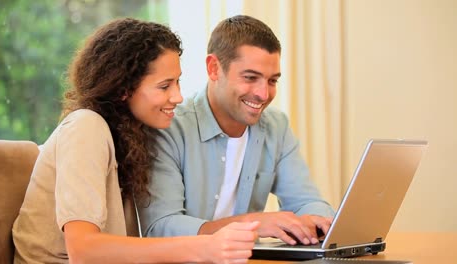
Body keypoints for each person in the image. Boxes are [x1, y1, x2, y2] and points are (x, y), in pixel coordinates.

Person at [12, 18, 260, 264]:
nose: (178, 96)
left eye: (177, 82)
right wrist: (203, 247)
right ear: (123, 88)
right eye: (164, 86)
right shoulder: (85, 127)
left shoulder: (128, 140)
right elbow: (84, 251)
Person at [140, 15, 335, 246]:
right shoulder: (168, 128)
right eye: (250, 78)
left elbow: (307, 201)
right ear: (213, 68)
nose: (263, 94)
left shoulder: (276, 127)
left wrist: (318, 219)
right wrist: (252, 223)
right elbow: (161, 227)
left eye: (272, 81)